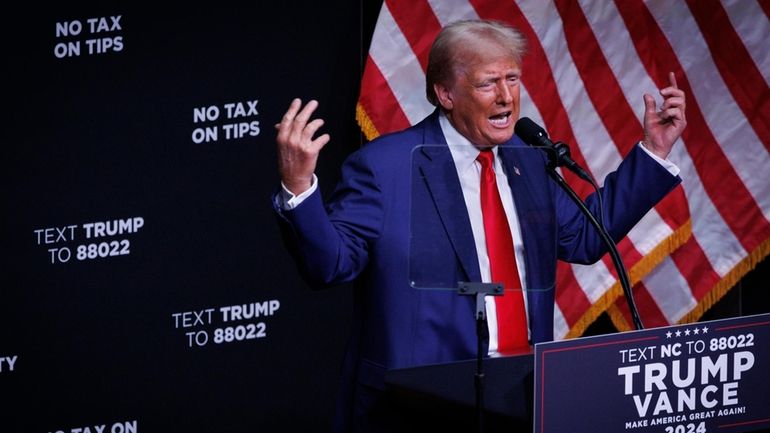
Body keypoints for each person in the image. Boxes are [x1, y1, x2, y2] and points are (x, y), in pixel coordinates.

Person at [272, 19, 685, 432]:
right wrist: (298, 186)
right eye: (489, 83)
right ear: (446, 94)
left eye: (512, 79)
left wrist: (653, 151)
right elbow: (330, 266)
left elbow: (584, 237)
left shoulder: (530, 159)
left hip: (524, 396)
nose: (507, 97)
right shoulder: (385, 166)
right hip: (421, 404)